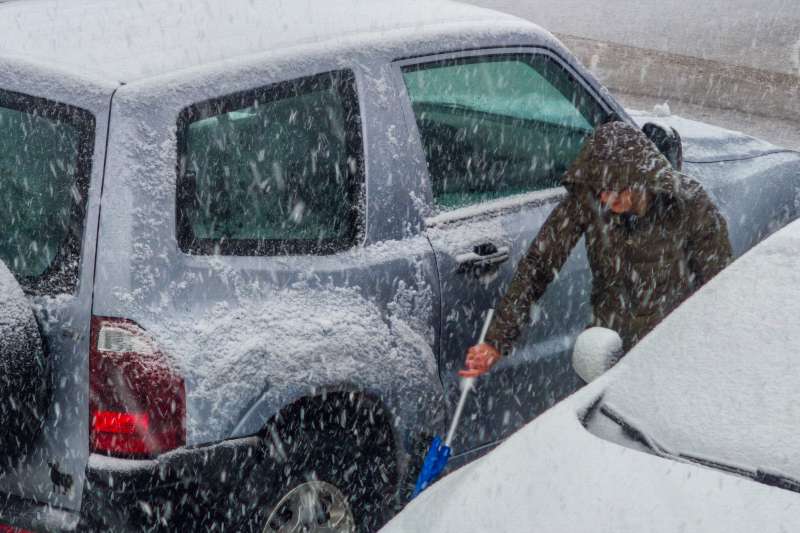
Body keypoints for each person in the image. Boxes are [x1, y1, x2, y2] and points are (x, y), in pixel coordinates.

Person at [460, 121, 733, 378]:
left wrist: (709, 355)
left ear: (639, 178)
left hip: (667, 348)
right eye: (599, 189)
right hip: (607, 345)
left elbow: (720, 286)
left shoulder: (689, 205)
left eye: (613, 188)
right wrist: (496, 341)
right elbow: (538, 264)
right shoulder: (589, 199)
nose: (604, 197)